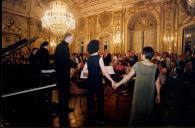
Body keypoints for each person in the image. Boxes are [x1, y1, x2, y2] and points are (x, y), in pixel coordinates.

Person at [112, 47, 161, 126]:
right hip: (150, 94)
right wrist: (158, 95)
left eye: (141, 53)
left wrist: (117, 84)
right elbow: (157, 82)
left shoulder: (138, 65)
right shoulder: (155, 67)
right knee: (147, 112)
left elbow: (128, 76)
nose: (140, 55)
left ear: (144, 55)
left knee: (137, 113)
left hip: (139, 93)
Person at [82, 40, 115, 125]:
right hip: (97, 81)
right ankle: (100, 118)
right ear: (97, 47)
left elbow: (84, 71)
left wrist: (91, 72)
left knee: (90, 100)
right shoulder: (99, 58)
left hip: (89, 82)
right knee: (100, 99)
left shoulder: (88, 58)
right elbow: (104, 72)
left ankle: (90, 117)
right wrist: (112, 80)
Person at [54, 33, 78, 127]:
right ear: (68, 37)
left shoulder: (60, 46)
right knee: (64, 92)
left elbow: (60, 60)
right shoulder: (64, 47)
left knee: (62, 92)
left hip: (60, 73)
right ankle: (63, 111)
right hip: (63, 74)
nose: (73, 40)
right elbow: (66, 60)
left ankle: (63, 109)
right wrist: (75, 65)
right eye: (72, 38)